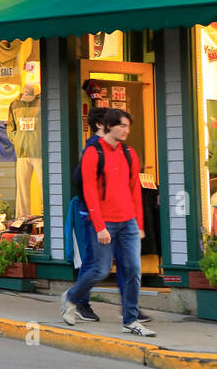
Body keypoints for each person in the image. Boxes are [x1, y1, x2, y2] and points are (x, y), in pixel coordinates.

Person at [60, 108, 153, 336]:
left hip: (128, 221)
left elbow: (134, 190)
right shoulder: (93, 152)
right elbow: (89, 190)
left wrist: (139, 223)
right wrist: (99, 225)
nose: (125, 130)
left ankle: (130, 320)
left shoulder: (130, 153)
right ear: (108, 126)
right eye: (121, 125)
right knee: (100, 269)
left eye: (128, 126)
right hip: (103, 221)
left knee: (133, 270)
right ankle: (71, 298)